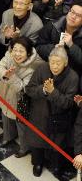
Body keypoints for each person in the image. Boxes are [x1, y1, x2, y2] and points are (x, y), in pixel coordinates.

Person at [25, 45, 77, 179]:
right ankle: (37, 164)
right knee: (37, 142)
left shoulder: (73, 77)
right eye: (52, 62)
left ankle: (56, 165)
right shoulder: (42, 68)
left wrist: (53, 92)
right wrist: (43, 89)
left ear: (65, 63)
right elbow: (29, 89)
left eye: (58, 63)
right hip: (40, 114)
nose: (54, 66)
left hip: (59, 117)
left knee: (57, 145)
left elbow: (68, 103)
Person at [0, 37, 43, 157]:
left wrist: (11, 76)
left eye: (21, 51)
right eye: (15, 49)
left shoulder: (36, 66)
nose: (16, 53)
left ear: (29, 52)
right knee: (5, 114)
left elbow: (23, 87)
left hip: (22, 100)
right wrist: (5, 74)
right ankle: (8, 136)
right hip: (6, 92)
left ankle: (24, 147)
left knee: (21, 124)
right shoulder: (10, 54)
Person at [35, 0, 82, 76]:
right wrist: (54, 49)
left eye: (78, 15)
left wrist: (72, 46)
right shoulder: (53, 25)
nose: (73, 17)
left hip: (71, 73)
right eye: (72, 12)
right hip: (49, 65)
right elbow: (38, 47)